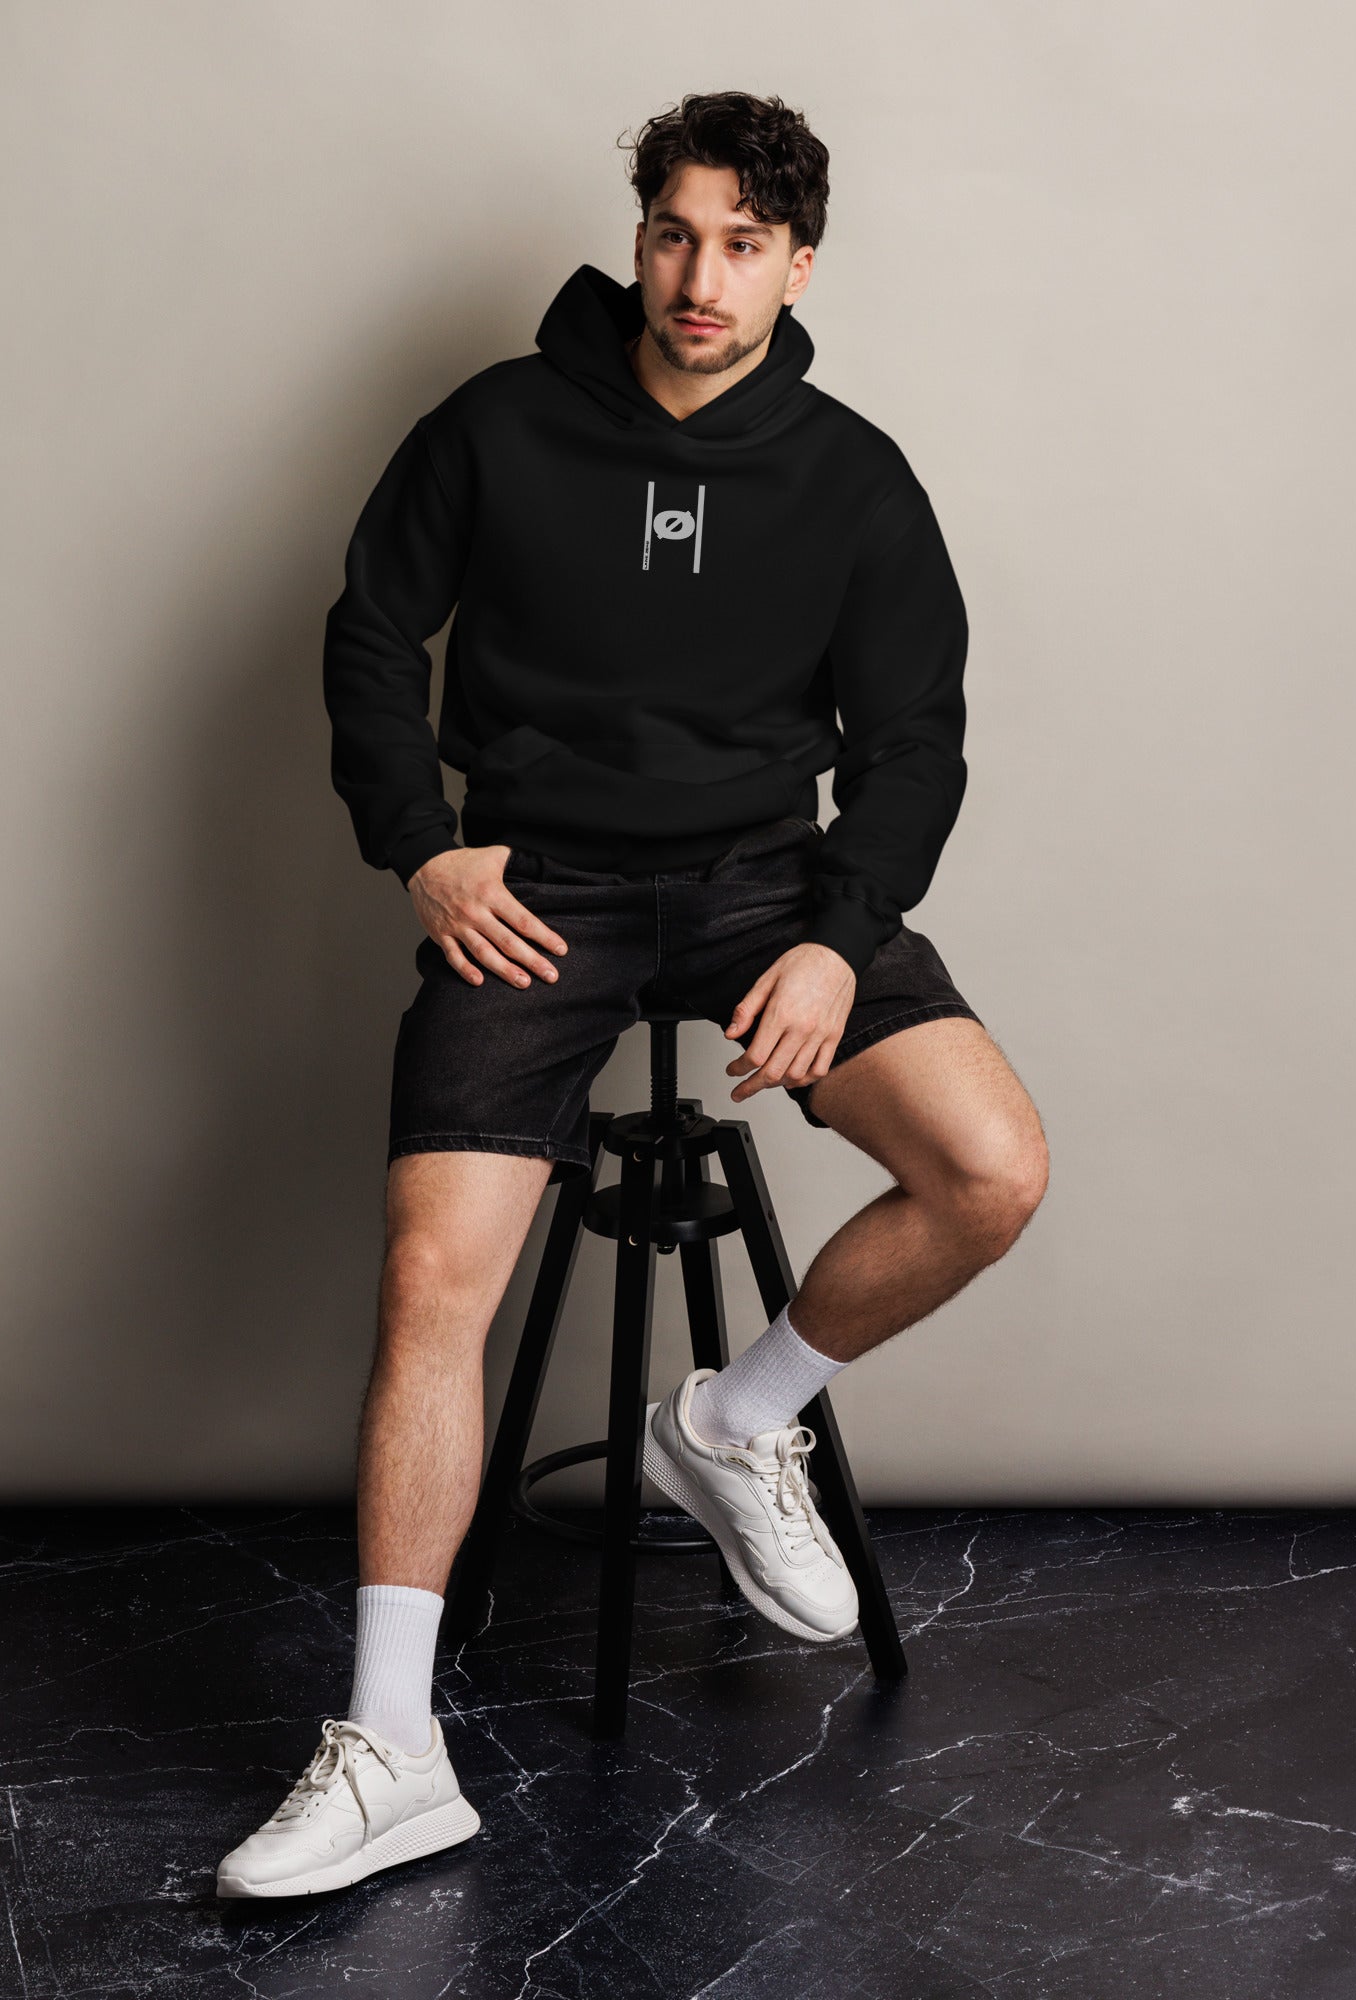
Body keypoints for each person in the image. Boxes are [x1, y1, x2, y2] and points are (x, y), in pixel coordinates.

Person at [216, 89, 1048, 1900]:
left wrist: (837, 932)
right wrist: (421, 843)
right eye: (676, 232)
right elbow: (373, 629)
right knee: (436, 1271)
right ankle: (390, 1748)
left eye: (743, 243)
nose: (700, 274)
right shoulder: (499, 426)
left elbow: (913, 743)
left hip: (766, 887)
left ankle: (737, 1419)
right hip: (540, 883)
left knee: (990, 1169)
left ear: (798, 263)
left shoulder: (853, 477)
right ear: (640, 235)